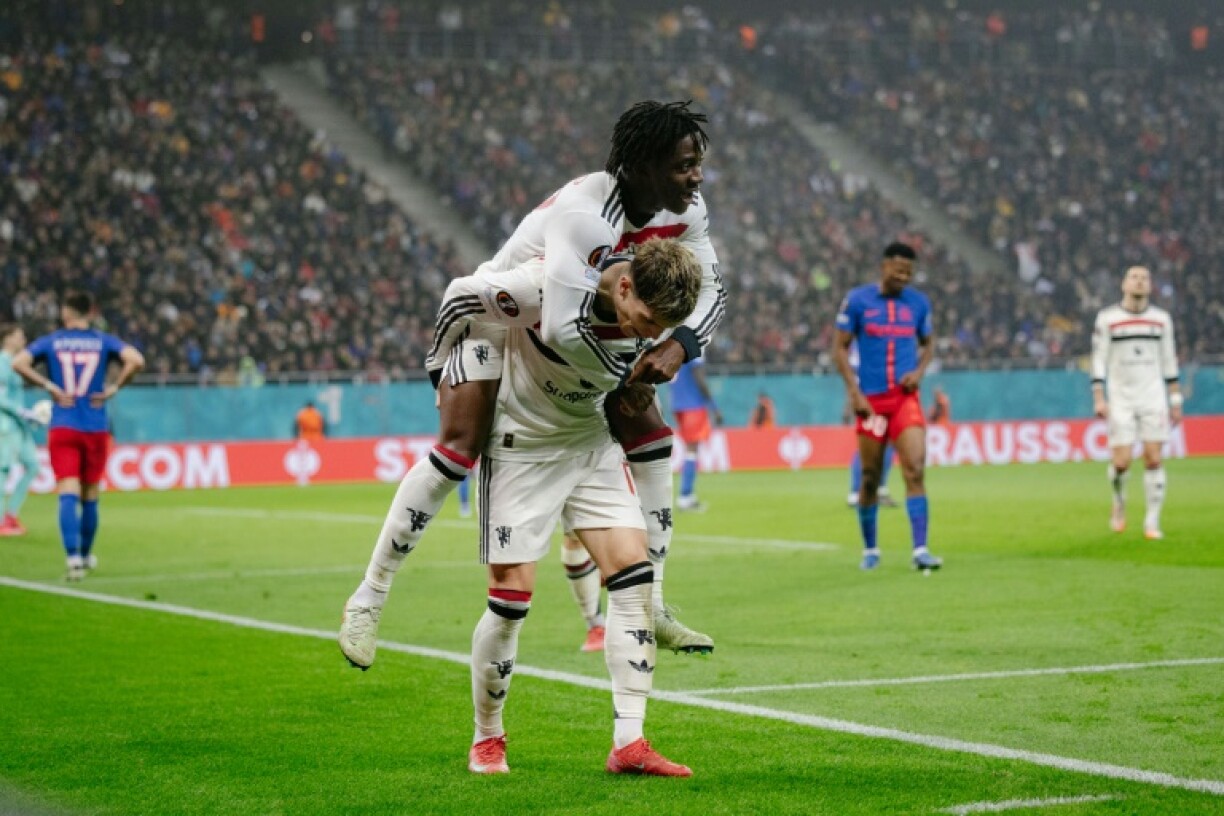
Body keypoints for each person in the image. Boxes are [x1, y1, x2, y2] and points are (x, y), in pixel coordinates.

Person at [339, 100, 724, 668]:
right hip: (501, 320)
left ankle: (656, 603)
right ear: (643, 166)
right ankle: (368, 598)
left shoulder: (686, 213)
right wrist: (439, 365)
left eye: (697, 164)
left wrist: (679, 346)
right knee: (458, 450)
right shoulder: (587, 214)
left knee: (652, 436)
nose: (696, 177)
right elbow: (562, 328)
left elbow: (713, 289)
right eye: (683, 166)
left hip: (579, 333)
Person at [435, 239, 701, 775]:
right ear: (623, 287)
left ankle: (629, 742)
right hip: (523, 448)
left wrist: (675, 350)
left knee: (633, 579)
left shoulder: (646, 311)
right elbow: (463, 297)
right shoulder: (544, 285)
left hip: (591, 446)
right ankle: (488, 737)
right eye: (648, 320)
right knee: (511, 600)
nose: (651, 333)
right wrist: (443, 373)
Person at [11, 292, 145, 579]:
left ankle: (72, 559)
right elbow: (136, 360)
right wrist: (114, 388)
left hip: (63, 424)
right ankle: (85, 555)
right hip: (95, 426)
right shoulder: (102, 340)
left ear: (66, 313)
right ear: (90, 313)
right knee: (91, 494)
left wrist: (50, 386)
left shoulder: (52, 341)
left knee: (67, 491)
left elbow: (19, 363)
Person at [834, 242, 942, 572]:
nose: (904, 277)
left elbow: (929, 344)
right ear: (884, 267)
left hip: (904, 400)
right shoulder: (858, 300)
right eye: (899, 270)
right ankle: (871, 550)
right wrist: (854, 393)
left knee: (915, 469)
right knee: (869, 477)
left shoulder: (918, 303)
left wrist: (919, 373)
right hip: (872, 403)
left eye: (909, 272)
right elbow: (839, 349)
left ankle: (921, 549)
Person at [1091, 265, 1181, 540]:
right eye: (1134, 277)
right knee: (1121, 462)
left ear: (1150, 285)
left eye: (1144, 278)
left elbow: (1169, 359)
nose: (1139, 282)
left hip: (1153, 397)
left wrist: (1175, 400)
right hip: (1121, 398)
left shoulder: (1161, 320)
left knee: (1154, 457)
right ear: (1124, 284)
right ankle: (1119, 501)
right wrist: (1099, 397)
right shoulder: (1108, 318)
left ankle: (1152, 521)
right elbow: (1098, 359)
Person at [0, 325, 44, 536]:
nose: (23, 340)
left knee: (33, 466)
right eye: (19, 337)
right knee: (3, 471)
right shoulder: (2, 363)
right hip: (5, 426)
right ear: (7, 339)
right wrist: (22, 412)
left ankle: (10, 515)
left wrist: (29, 416)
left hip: (18, 426)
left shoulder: (14, 363)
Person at [669, 357, 722, 511]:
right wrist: (714, 407)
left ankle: (688, 496)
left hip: (678, 405)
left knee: (691, 450)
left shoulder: (675, 349)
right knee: (692, 451)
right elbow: (700, 380)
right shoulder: (694, 352)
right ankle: (685, 496)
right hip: (693, 405)